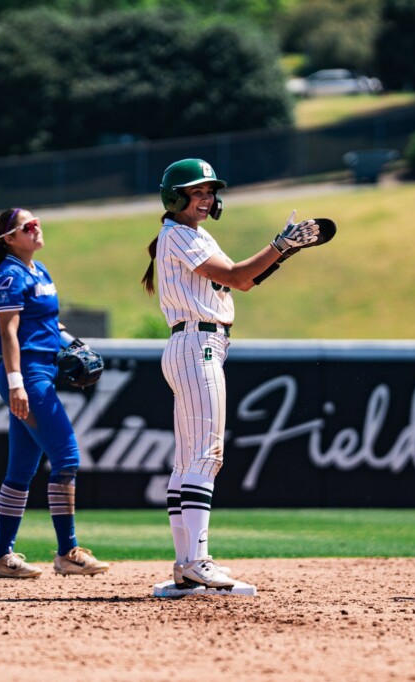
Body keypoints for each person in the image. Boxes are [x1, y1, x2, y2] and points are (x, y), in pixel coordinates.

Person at [140, 158, 320, 589]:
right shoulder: (179, 233)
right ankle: (198, 561)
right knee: (206, 455)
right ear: (175, 196)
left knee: (188, 460)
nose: (206, 198)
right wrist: (280, 244)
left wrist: (283, 252)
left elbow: (242, 280)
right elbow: (238, 277)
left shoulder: (190, 235)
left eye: (209, 191)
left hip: (193, 344)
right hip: (197, 344)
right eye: (197, 191)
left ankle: (186, 565)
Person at [0, 207, 110, 579]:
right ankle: (68, 552)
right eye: (28, 226)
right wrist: (17, 383)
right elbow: (9, 333)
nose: (37, 229)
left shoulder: (40, 270)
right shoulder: (8, 275)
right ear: (9, 239)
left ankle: (2, 557)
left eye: (38, 223)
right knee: (67, 456)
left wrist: (74, 344)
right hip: (28, 377)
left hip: (44, 372)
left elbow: (51, 322)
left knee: (21, 469)